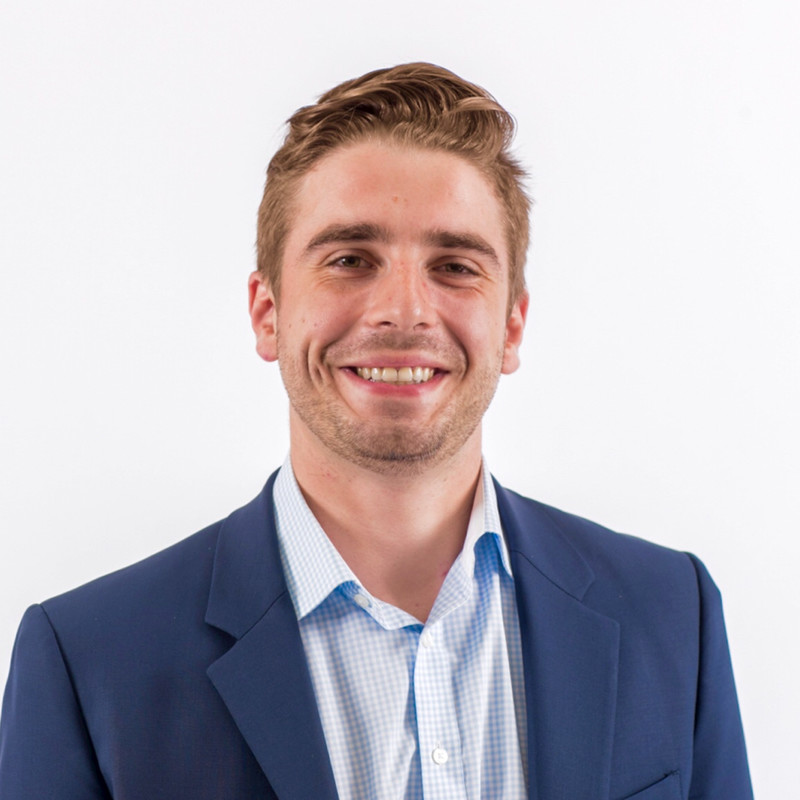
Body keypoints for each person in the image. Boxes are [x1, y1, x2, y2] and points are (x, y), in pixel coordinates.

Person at [0, 63, 752, 800]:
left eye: (455, 266)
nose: (404, 311)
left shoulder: (670, 614)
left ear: (512, 325)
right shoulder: (86, 661)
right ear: (267, 313)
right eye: (351, 259)